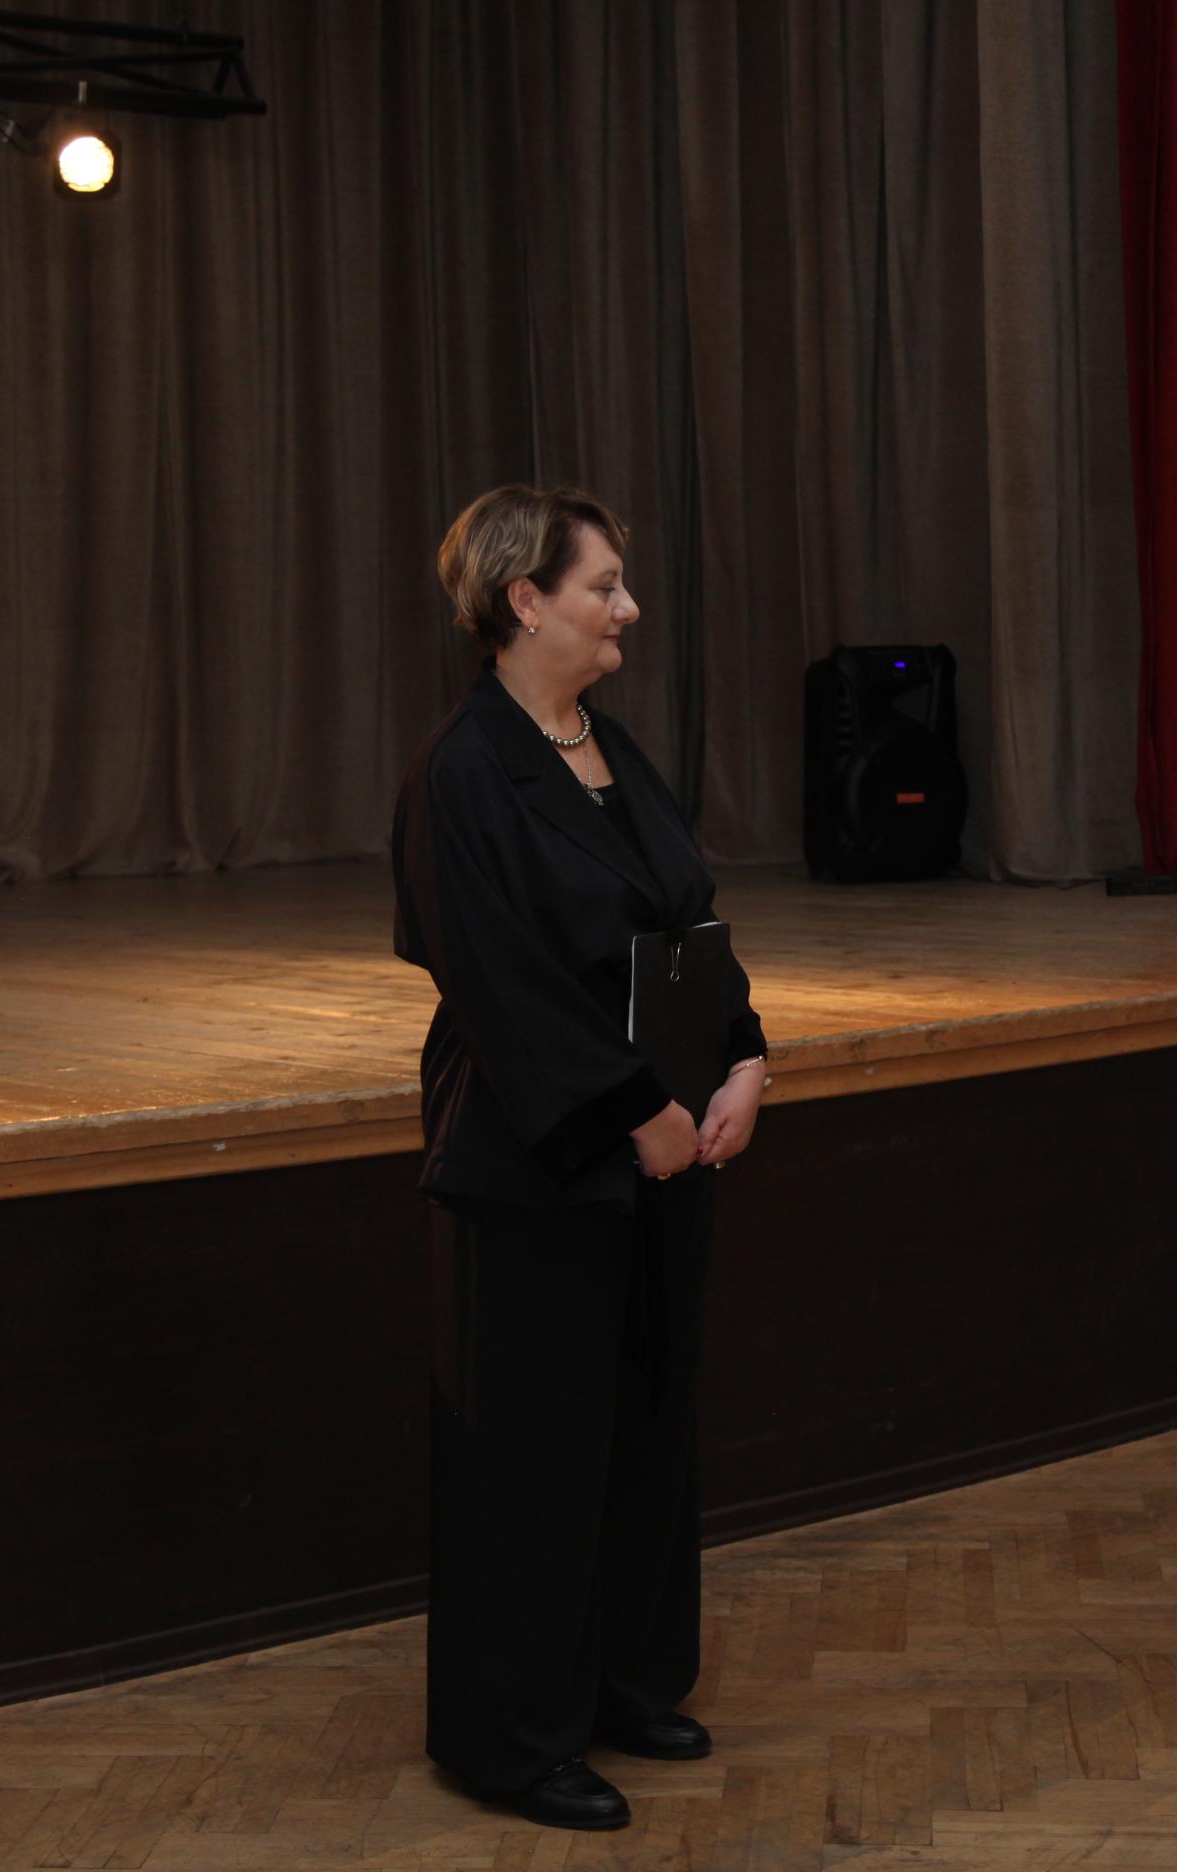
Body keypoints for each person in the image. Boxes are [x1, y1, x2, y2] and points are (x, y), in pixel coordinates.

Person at [391, 484, 766, 1830]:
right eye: (603, 586)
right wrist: (632, 1112)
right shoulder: (461, 771)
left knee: (640, 1430)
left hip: (664, 1145)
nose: (629, 608)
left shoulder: (606, 743)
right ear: (522, 600)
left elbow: (689, 918)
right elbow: (503, 985)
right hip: (538, 1165)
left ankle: (619, 1682)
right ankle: (511, 1738)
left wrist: (744, 1055)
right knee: (532, 1455)